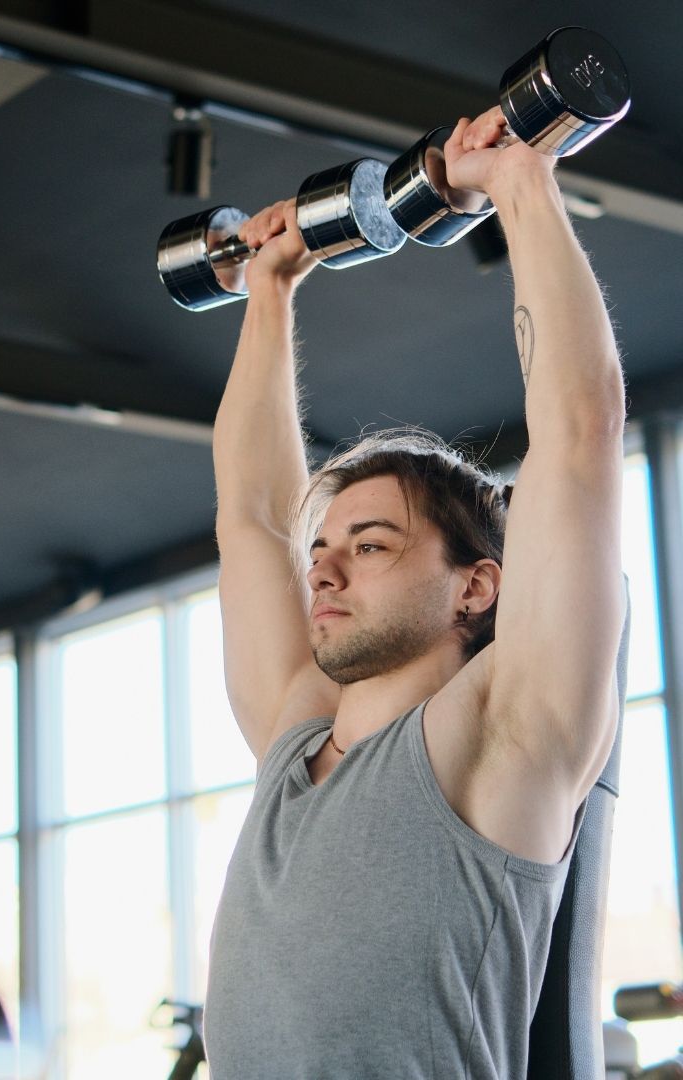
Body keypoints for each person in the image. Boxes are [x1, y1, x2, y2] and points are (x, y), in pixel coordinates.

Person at [203, 106, 627, 1079]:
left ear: (478, 585)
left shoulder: (503, 737)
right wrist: (269, 289)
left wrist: (521, 182)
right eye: (330, 545)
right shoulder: (295, 731)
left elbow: (578, 432)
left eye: (373, 542)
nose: (324, 565)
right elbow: (252, 517)